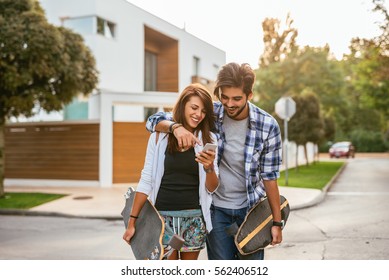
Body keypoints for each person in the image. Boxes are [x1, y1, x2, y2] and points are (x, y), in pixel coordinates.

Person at [146, 62, 283, 260]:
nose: (229, 104)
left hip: (250, 212)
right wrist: (175, 127)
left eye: (237, 98)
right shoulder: (211, 113)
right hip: (217, 211)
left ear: (249, 95)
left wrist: (276, 223)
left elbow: (270, 178)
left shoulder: (267, 125)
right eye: (224, 97)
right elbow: (153, 121)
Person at [123, 83, 219, 260]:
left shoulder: (208, 138)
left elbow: (212, 188)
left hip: (194, 219)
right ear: (183, 105)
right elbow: (146, 180)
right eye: (194, 108)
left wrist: (209, 167)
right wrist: (132, 222)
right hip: (162, 219)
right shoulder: (159, 137)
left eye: (203, 111)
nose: (198, 114)